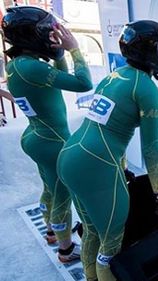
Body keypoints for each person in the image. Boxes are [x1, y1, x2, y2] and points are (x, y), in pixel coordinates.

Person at [57, 20, 158, 281]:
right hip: (98, 165)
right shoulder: (147, 90)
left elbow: (105, 124)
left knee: (90, 231)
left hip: (70, 156)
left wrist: (122, 169)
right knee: (111, 246)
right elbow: (152, 150)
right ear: (150, 50)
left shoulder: (112, 77)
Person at [2, 6, 92, 262]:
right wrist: (74, 48)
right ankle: (66, 249)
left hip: (36, 136)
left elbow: (59, 76)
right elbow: (83, 83)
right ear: (33, 35)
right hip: (52, 141)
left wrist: (58, 52)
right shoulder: (31, 68)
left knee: (49, 188)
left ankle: (52, 232)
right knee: (62, 196)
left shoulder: (20, 65)